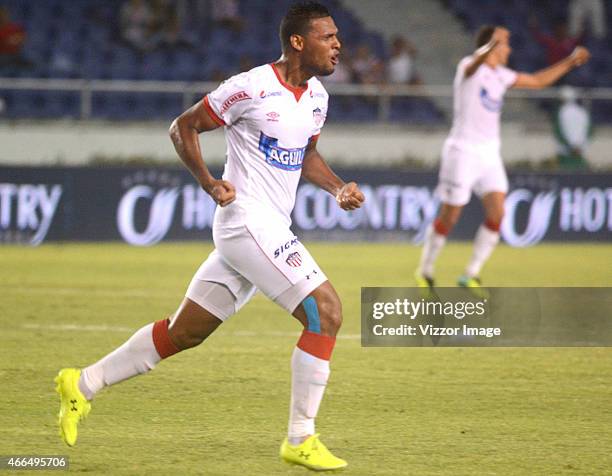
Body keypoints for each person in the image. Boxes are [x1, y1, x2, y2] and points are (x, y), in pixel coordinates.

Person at [54, 2, 364, 472]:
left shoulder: (318, 97)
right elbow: (184, 126)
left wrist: (338, 186)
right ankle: (301, 437)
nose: (338, 44)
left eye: (337, 36)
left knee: (185, 332)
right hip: (245, 222)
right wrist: (208, 182)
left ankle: (81, 383)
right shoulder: (251, 87)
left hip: (268, 229)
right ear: (298, 41)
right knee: (326, 310)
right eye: (328, 36)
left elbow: (306, 154)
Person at [414, 26, 590, 294]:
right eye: (504, 43)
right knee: (450, 216)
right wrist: (489, 45)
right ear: (492, 45)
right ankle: (425, 270)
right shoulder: (469, 67)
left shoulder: (502, 75)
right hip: (462, 151)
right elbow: (475, 63)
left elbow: (538, 81)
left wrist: (570, 62)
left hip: (489, 154)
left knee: (498, 213)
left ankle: (470, 274)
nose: (508, 48)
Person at [554, 86, 592, 169]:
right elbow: (589, 130)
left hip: (567, 151)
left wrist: (571, 146)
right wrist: (580, 145)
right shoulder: (582, 111)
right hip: (579, 149)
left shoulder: (561, 112)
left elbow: (559, 130)